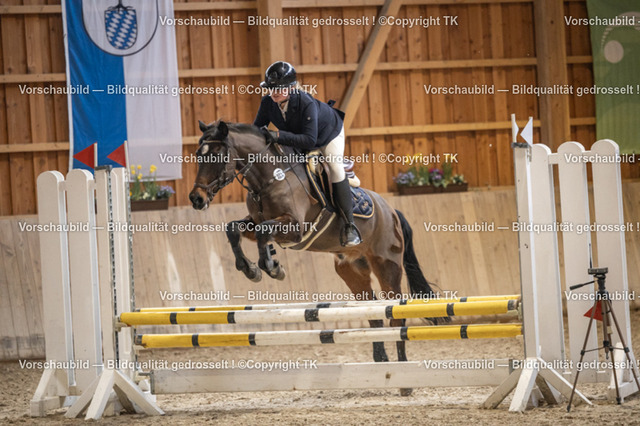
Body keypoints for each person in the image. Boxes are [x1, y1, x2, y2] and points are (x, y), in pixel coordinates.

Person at [254, 61, 361, 247]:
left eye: (278, 88)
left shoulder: (306, 102)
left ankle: (349, 226)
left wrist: (277, 136)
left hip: (327, 134)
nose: (273, 92)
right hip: (299, 136)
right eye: (270, 88)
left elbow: (310, 141)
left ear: (291, 87)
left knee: (335, 167)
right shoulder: (268, 103)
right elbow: (257, 130)